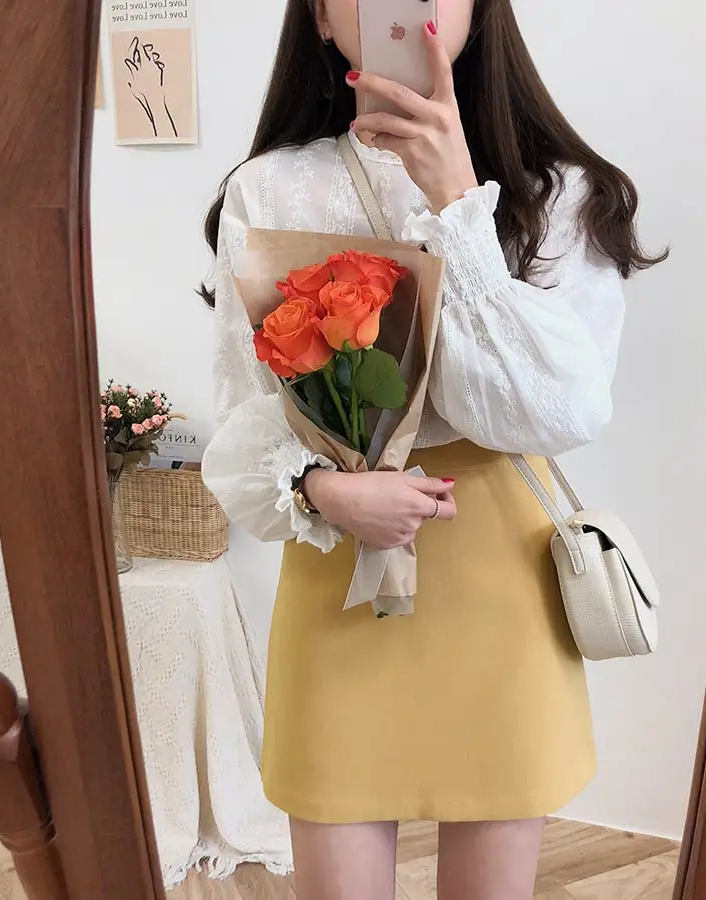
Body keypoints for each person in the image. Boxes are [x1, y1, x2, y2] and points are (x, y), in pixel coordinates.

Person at [201, 1, 663, 897]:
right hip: (340, 561)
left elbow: (562, 410)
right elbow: (244, 408)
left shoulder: (561, 191)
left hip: (502, 568)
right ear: (320, 18)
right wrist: (319, 489)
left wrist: (458, 205)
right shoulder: (270, 188)